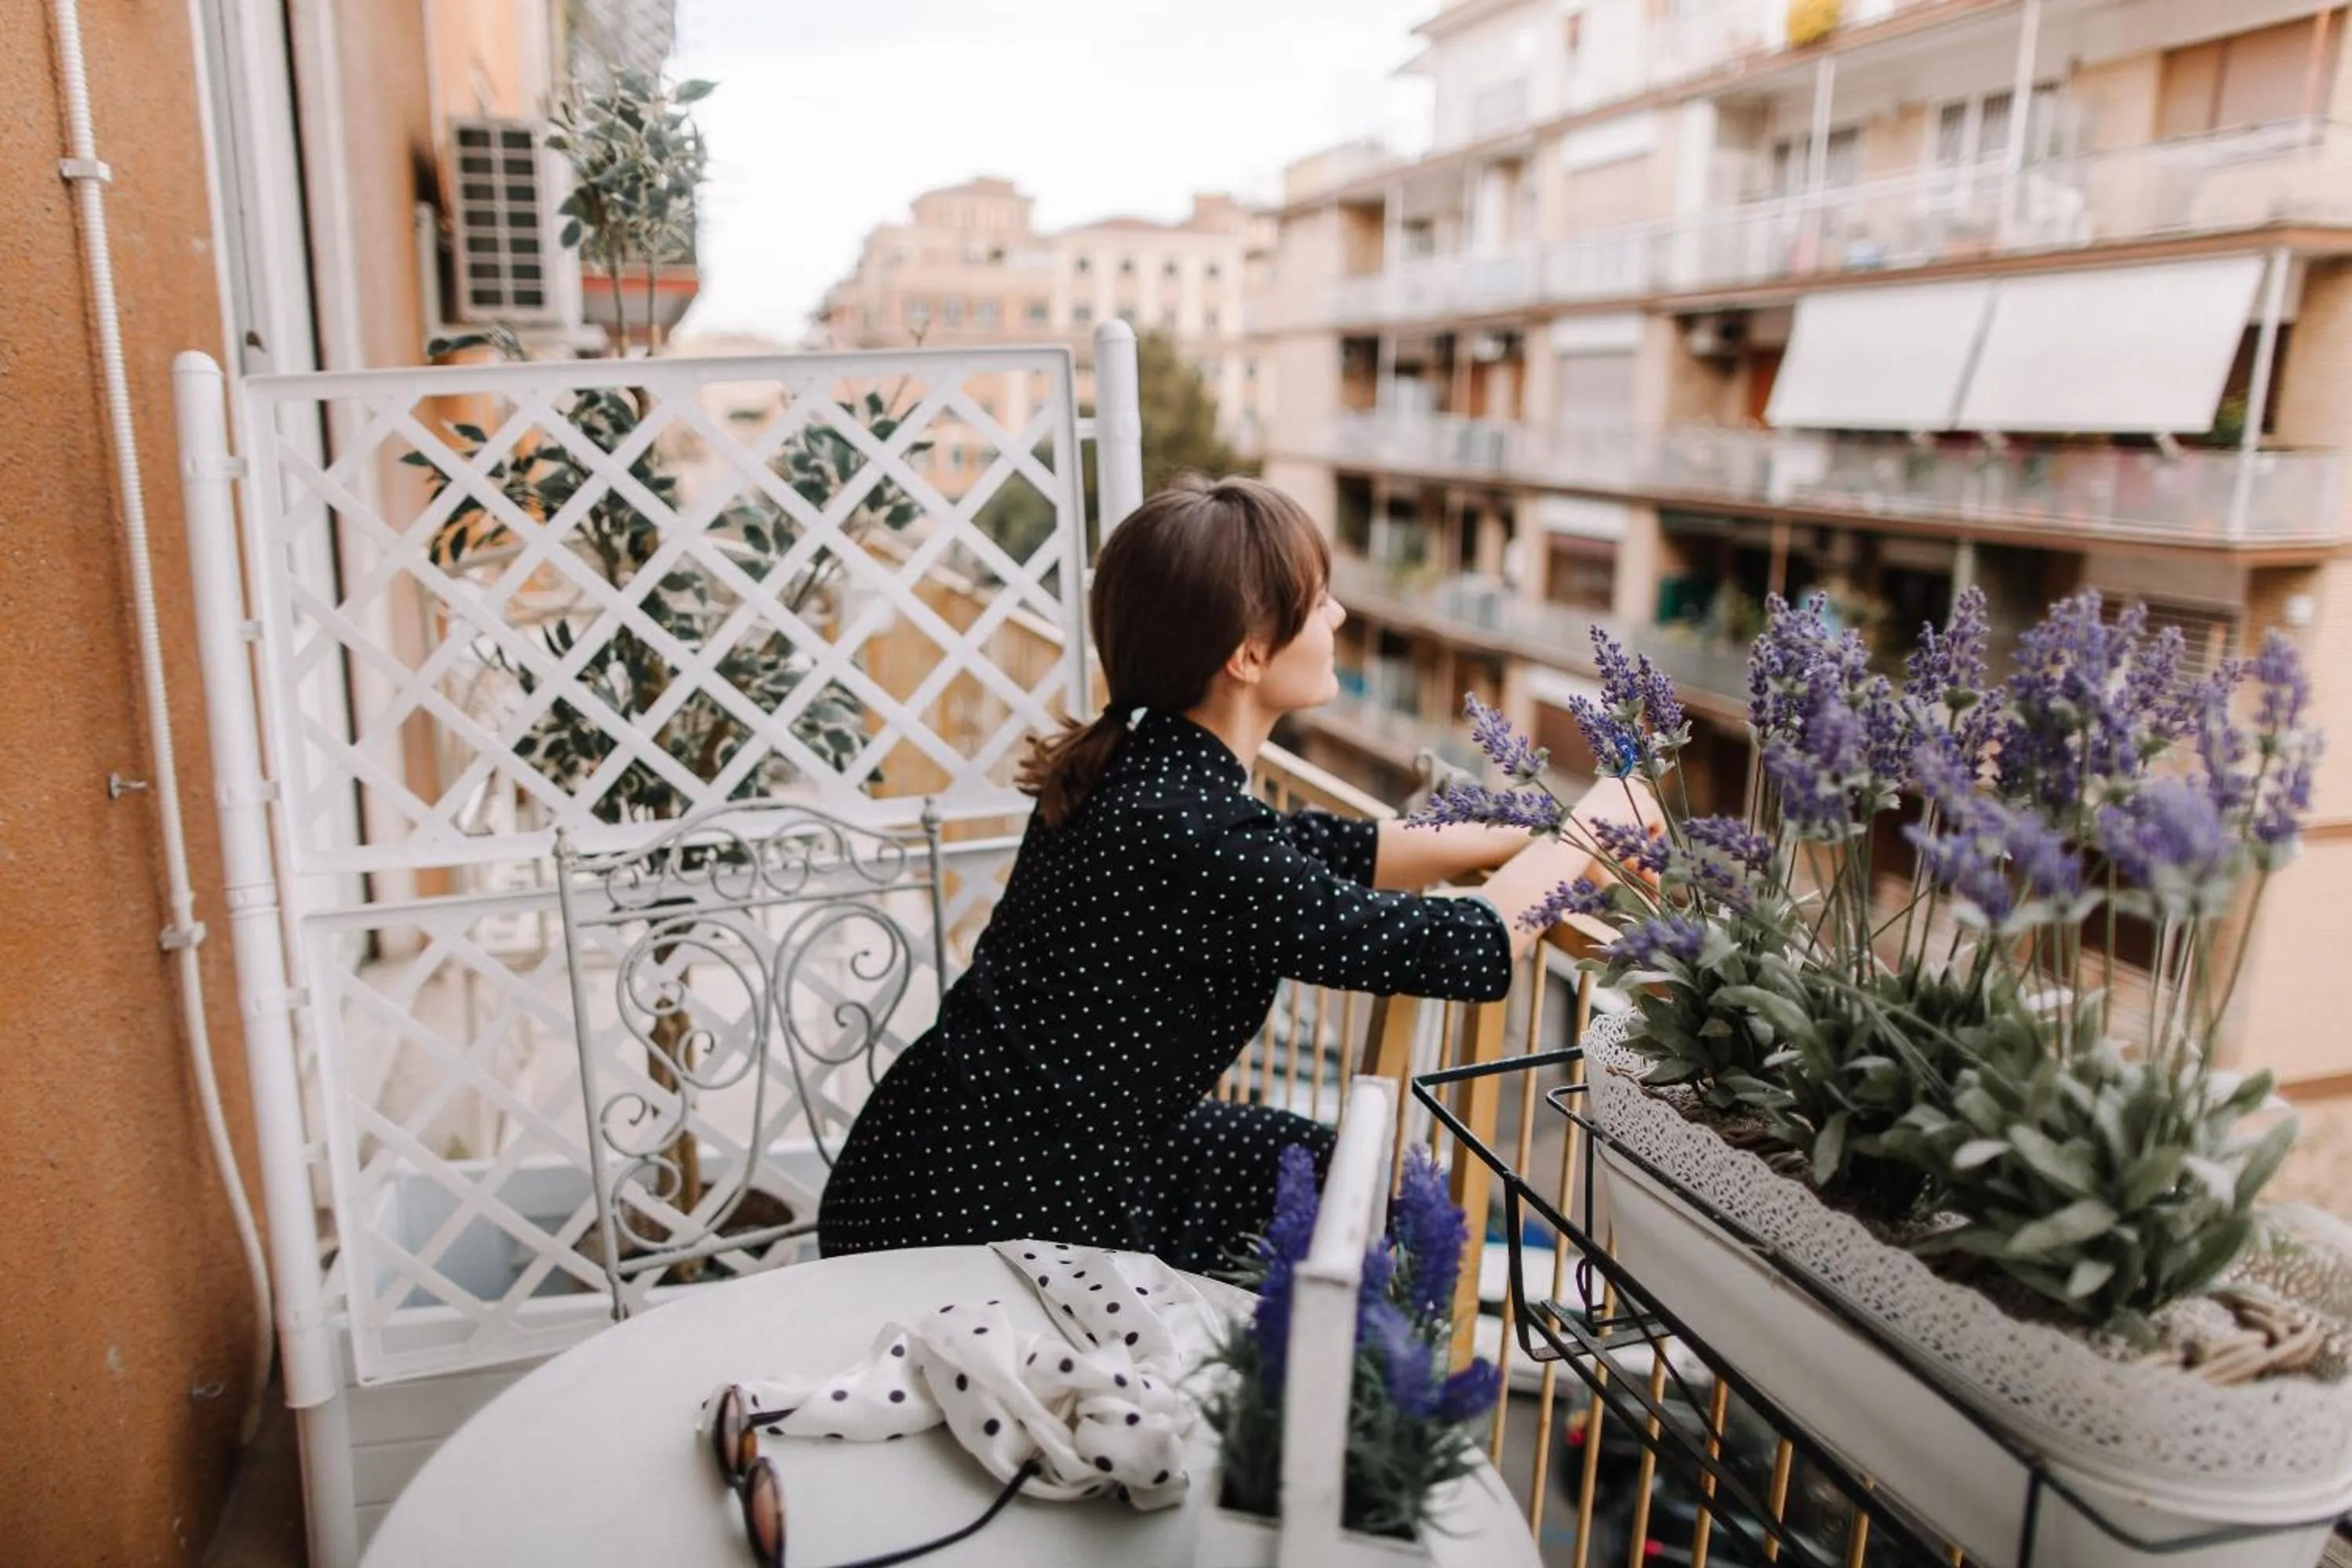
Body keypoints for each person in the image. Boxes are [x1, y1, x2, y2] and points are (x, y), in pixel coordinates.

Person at [817, 476, 1647, 1275]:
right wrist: (1595, 818)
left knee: (1331, 1173)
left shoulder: (1150, 770)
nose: (1340, 614)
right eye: (1319, 600)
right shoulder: (1189, 829)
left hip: (995, 1147)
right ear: (1248, 655)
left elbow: (1335, 848)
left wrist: (1541, 834)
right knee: (1353, 1197)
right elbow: (1469, 943)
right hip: (973, 1207)